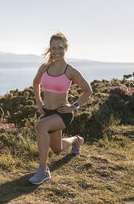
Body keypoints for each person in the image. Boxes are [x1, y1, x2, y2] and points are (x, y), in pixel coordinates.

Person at [29, 32, 92, 185]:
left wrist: (74, 106)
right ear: (50, 49)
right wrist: (38, 101)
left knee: (40, 126)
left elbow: (88, 90)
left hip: (63, 114)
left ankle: (43, 170)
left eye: (60, 48)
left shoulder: (70, 71)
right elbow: (35, 82)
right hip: (49, 113)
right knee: (57, 149)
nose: (56, 51)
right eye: (53, 48)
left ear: (66, 48)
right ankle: (77, 140)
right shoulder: (44, 68)